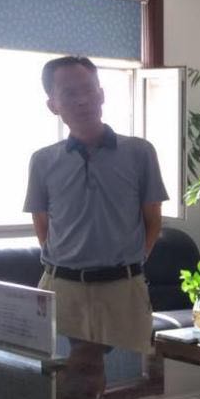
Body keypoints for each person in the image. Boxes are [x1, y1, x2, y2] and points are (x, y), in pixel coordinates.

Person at [24, 56, 168, 353]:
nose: (82, 100)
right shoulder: (42, 160)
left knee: (130, 376)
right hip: (62, 290)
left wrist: (127, 263)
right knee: (60, 377)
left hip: (123, 291)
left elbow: (153, 220)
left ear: (101, 94)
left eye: (88, 89)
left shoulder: (140, 152)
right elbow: (42, 224)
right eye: (69, 93)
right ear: (52, 105)